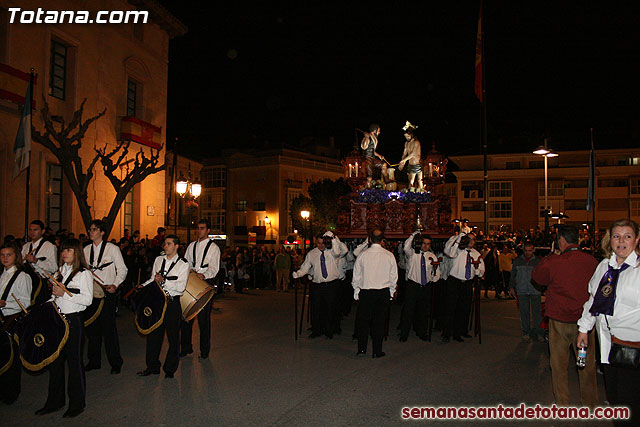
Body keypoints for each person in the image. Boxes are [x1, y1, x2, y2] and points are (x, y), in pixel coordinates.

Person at [577, 219, 640, 424]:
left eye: (627, 236)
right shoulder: (604, 266)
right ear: (609, 239)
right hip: (607, 344)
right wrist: (583, 329)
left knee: (630, 404)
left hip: (633, 347)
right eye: (616, 236)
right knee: (615, 399)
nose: (621, 241)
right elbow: (593, 300)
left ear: (636, 240)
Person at [531, 225, 599, 409]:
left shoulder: (555, 261)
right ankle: (590, 403)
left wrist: (551, 256)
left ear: (560, 240)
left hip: (560, 321)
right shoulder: (591, 261)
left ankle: (563, 402)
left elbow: (537, 277)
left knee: (559, 364)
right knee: (586, 364)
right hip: (584, 323)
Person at [35, 239, 92, 418]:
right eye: (63, 250)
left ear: (76, 253)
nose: (64, 253)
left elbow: (87, 300)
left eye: (68, 250)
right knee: (55, 363)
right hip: (57, 321)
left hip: (73, 322)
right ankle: (55, 401)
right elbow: (55, 297)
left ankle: (77, 404)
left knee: (74, 364)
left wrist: (64, 294)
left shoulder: (84, 274)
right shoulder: (59, 272)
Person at [137, 235, 190, 378]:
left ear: (176, 246)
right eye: (164, 244)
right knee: (153, 334)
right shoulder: (158, 260)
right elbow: (153, 279)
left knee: (173, 337)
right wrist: (144, 286)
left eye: (168, 244)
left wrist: (164, 281)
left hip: (172, 303)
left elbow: (180, 287)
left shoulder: (183, 264)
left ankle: (170, 369)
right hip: (157, 302)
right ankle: (152, 366)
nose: (165, 246)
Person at [82, 220, 128, 374]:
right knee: (91, 328)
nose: (91, 232)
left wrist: (115, 284)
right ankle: (94, 361)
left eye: (94, 229)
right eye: (90, 229)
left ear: (102, 232)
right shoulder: (86, 250)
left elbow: (122, 269)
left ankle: (115, 362)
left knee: (109, 329)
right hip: (91, 294)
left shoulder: (112, 249)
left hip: (107, 293)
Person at [292, 231, 347, 338]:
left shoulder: (332, 251)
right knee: (316, 308)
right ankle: (317, 329)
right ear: (316, 243)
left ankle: (329, 330)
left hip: (331, 284)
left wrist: (334, 238)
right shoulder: (312, 254)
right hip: (317, 285)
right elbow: (305, 267)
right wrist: (298, 274)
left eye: (323, 243)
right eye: (318, 243)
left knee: (331, 308)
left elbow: (342, 251)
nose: (321, 245)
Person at [352, 229, 397, 357]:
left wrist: (356, 292)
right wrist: (391, 292)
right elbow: (393, 277)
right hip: (382, 292)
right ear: (383, 240)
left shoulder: (363, 255)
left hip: (366, 292)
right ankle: (377, 351)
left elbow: (356, 276)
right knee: (379, 322)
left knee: (363, 322)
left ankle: (361, 349)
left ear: (370, 239)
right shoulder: (389, 255)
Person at [181, 220, 220, 360]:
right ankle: (186, 347)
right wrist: (189, 271)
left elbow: (214, 269)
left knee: (204, 320)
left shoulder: (214, 248)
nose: (199, 231)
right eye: (198, 228)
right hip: (191, 281)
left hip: (205, 283)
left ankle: (204, 351)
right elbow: (185, 262)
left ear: (208, 230)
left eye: (202, 228)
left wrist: (204, 275)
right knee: (186, 316)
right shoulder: (191, 246)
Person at [0, 242, 32, 404]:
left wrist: (6, 304)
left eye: (9, 255)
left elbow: (25, 302)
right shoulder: (1, 274)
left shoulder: (22, 276)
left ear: (16, 256)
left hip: (11, 320)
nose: (5, 258)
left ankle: (10, 393)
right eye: (3, 255)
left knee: (11, 358)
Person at [443, 232, 485, 343]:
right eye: (468, 239)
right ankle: (446, 333)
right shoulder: (457, 250)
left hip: (467, 283)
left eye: (473, 239)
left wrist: (476, 270)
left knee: (464, 308)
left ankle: (459, 331)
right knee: (450, 308)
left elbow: (481, 272)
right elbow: (448, 252)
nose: (471, 241)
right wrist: (458, 239)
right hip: (454, 281)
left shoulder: (476, 254)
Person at [399, 231, 440, 342]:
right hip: (413, 285)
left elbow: (437, 272)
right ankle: (404, 333)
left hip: (425, 286)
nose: (426, 246)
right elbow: (406, 246)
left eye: (428, 244)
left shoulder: (432, 256)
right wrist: (413, 235)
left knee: (423, 311)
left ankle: (422, 332)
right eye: (424, 243)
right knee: (408, 310)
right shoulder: (412, 254)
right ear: (420, 243)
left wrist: (433, 277)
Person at [508, 242, 543, 342]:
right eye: (526, 250)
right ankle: (526, 332)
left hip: (535, 290)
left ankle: (539, 332)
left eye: (530, 250)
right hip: (522, 289)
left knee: (537, 313)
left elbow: (543, 275)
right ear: (523, 250)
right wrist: (511, 287)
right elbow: (513, 274)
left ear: (534, 250)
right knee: (524, 313)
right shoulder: (517, 261)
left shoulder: (538, 261)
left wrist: (542, 287)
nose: (528, 253)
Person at [21, 220, 58, 304]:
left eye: (35, 230)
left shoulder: (49, 246)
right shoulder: (25, 246)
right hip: (27, 282)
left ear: (42, 231)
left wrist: (36, 261)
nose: (32, 232)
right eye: (30, 230)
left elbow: (54, 268)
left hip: (42, 284)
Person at [398, 121, 423, 192]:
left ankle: (419, 193)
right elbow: (404, 154)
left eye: (408, 136)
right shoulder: (406, 143)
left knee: (419, 181)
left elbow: (413, 154)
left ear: (412, 135)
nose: (407, 138)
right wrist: (402, 163)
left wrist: (404, 160)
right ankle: (411, 193)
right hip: (410, 164)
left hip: (416, 164)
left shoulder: (416, 142)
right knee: (410, 181)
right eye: (405, 136)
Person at [360, 123, 388, 188]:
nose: (379, 132)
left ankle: (387, 179)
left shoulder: (374, 139)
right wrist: (366, 138)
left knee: (384, 165)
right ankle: (368, 190)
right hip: (367, 158)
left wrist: (379, 156)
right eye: (378, 131)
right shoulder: (368, 137)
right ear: (375, 131)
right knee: (369, 176)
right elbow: (364, 147)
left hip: (372, 158)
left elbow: (372, 151)